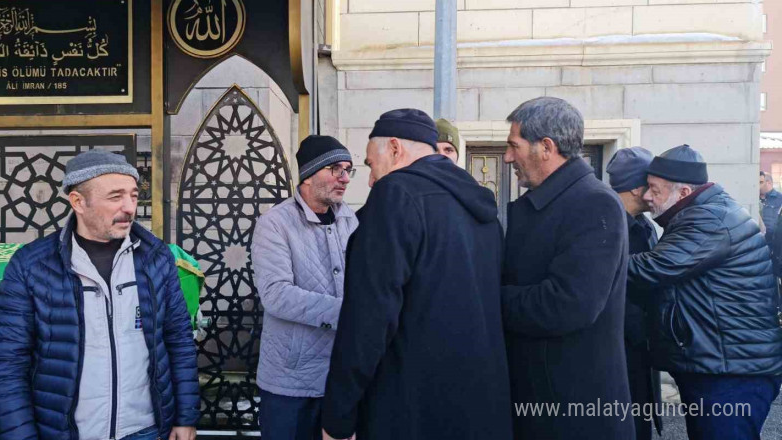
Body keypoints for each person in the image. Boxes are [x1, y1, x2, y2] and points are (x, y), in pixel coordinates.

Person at [321, 109, 512, 440]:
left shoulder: (395, 195)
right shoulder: (481, 208)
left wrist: (338, 417)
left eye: (369, 164)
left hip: (413, 409)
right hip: (481, 407)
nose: (370, 179)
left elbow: (369, 320)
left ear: (395, 148)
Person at [0, 149, 199, 440]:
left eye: (133, 196)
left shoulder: (155, 258)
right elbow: (7, 363)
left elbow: (178, 341)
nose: (129, 207)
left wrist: (185, 417)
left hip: (144, 431)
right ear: (78, 202)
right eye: (115, 197)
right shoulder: (32, 266)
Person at [501, 97, 635, 439]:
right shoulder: (547, 203)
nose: (507, 157)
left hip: (574, 411)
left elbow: (568, 305)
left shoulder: (594, 204)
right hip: (544, 401)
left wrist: (489, 299)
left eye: (514, 146)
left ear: (546, 147)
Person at [629, 145, 782, 440]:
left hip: (732, 375)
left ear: (684, 192)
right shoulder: (705, 212)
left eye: (654, 189)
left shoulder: (710, 219)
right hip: (723, 367)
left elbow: (652, 269)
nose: (647, 197)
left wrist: (588, 263)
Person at [252, 135, 358, 440]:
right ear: (310, 174)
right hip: (290, 383)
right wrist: (349, 313)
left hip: (341, 376)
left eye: (349, 169)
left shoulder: (352, 221)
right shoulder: (275, 223)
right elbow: (276, 295)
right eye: (336, 169)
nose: (345, 178)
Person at [606, 147, 664, 440]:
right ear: (636, 187)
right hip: (617, 354)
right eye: (653, 184)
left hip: (642, 352)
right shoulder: (603, 226)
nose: (659, 191)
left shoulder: (646, 226)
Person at [759, 171, 782, 243]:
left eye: (760, 182)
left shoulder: (780, 199)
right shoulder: (754, 199)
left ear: (768, 182)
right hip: (757, 242)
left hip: (774, 244)